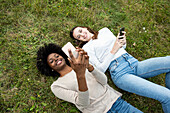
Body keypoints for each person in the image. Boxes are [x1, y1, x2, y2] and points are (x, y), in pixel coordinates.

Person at [70, 26, 170, 113]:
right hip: (120, 73)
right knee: (167, 96)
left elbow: (121, 46)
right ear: (79, 41)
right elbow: (100, 69)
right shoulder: (87, 48)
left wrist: (123, 42)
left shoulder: (104, 31)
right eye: (78, 37)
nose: (82, 34)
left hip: (134, 64)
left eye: (80, 31)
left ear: (84, 28)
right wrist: (113, 50)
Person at [36, 43, 143, 113]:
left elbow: (104, 81)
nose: (56, 59)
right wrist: (80, 75)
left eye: (56, 56)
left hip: (118, 103)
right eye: (51, 61)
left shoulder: (81, 64)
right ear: (49, 68)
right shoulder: (57, 86)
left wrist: (89, 67)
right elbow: (83, 103)